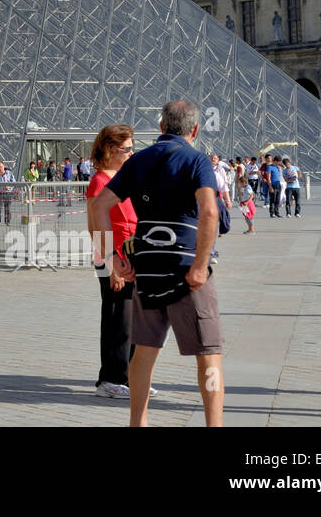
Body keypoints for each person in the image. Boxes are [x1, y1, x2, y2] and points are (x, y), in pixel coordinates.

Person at [87, 100, 224, 427]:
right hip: (185, 267)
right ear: (194, 130)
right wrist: (201, 266)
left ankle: (138, 422)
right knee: (209, 355)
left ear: (161, 127)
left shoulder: (139, 160)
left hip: (147, 267)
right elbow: (209, 211)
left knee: (144, 350)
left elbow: (98, 206)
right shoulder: (196, 160)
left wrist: (112, 258)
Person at [87, 124, 136, 399]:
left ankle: (130, 376)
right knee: (118, 320)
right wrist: (110, 264)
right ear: (109, 149)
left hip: (132, 255)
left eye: (132, 148)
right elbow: (95, 227)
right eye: (125, 149)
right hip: (112, 256)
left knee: (136, 320)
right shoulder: (98, 181)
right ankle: (111, 378)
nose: (131, 153)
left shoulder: (124, 177)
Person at [0, 160, 16, 226]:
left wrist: (9, 187)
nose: (0, 168)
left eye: (1, 167)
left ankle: (7, 221)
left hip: (8, 193)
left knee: (8, 208)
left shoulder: (9, 173)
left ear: (4, 166)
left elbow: (14, 182)